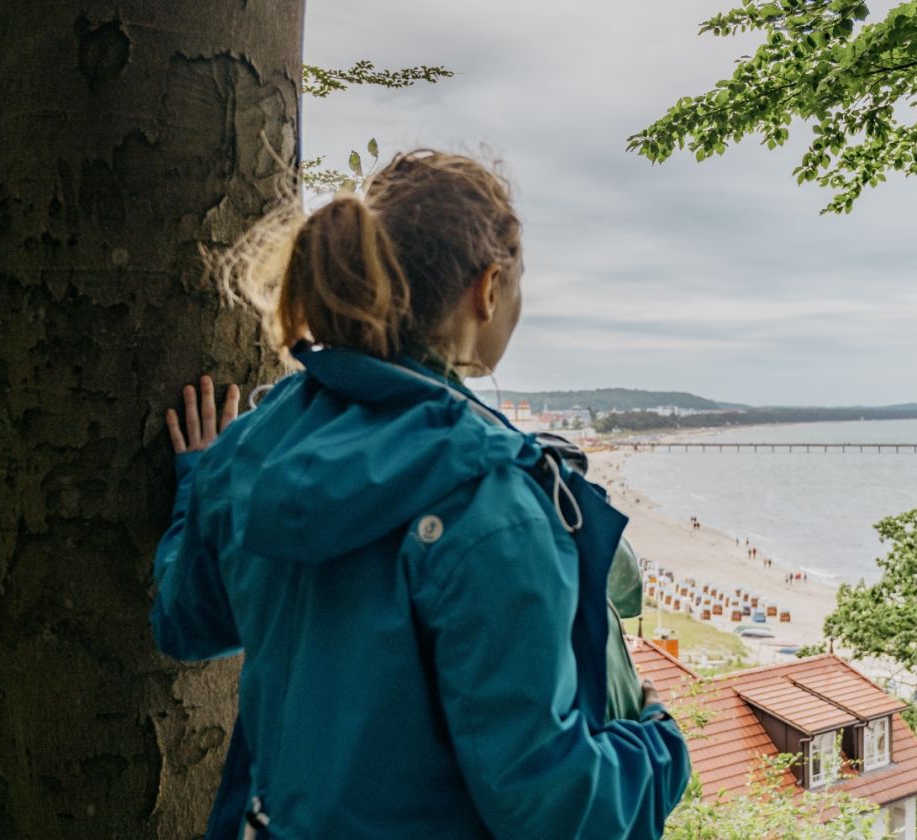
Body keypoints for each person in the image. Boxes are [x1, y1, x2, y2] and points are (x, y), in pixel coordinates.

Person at [153, 151, 690, 839]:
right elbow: (551, 805)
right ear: (488, 288)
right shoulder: (492, 501)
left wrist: (198, 478)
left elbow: (185, 622)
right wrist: (660, 746)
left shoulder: (249, 452)